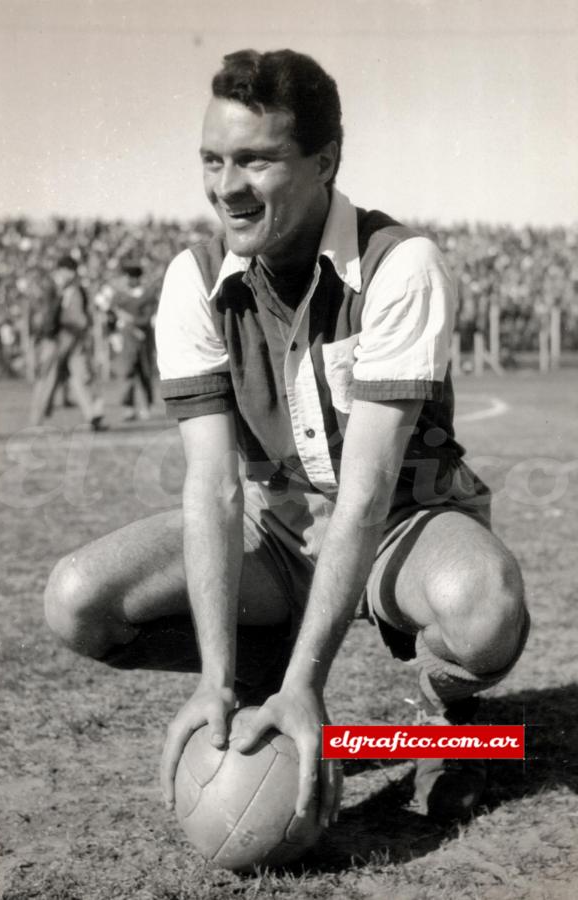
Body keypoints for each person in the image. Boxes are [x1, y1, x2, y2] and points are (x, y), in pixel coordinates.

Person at [43, 50, 529, 832]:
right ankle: (261, 677)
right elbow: (213, 485)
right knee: (77, 601)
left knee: (484, 608)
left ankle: (446, 715)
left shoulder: (400, 264)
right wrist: (215, 678)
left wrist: (314, 677)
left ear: (325, 161)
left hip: (403, 526)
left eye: (257, 161)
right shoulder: (191, 279)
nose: (227, 187)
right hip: (277, 533)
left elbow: (368, 492)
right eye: (212, 159)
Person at [29, 255, 106, 430]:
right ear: (61, 270)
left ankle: (93, 415)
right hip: (55, 338)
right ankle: (37, 421)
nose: (71, 274)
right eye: (69, 271)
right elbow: (46, 316)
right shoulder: (50, 287)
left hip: (71, 338)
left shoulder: (72, 288)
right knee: (49, 379)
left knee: (80, 376)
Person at [106, 263, 158, 421]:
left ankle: (147, 405)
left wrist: (129, 319)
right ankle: (128, 407)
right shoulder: (119, 296)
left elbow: (146, 320)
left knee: (144, 374)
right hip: (125, 343)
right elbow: (111, 317)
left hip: (142, 341)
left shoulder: (147, 295)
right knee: (126, 374)